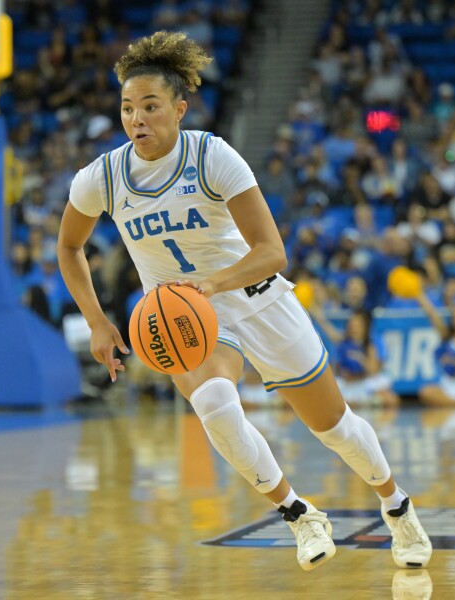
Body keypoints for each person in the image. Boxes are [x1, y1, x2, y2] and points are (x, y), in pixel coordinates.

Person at [57, 31, 431, 571]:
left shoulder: (211, 155)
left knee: (335, 429)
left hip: (252, 296)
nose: (136, 118)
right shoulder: (104, 177)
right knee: (213, 406)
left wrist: (210, 286)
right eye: (127, 108)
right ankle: (299, 514)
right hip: (187, 318)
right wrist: (96, 321)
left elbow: (272, 251)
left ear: (179, 109)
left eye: (150, 106)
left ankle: (397, 508)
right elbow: (69, 247)